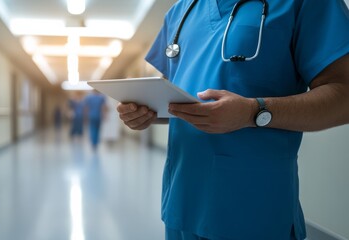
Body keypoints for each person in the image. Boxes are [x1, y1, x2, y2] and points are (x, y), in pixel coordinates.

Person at [116, 0, 349, 240]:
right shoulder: (181, 10)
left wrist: (252, 112)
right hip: (181, 204)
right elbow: (172, 94)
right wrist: (145, 113)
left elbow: (344, 96)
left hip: (253, 210)